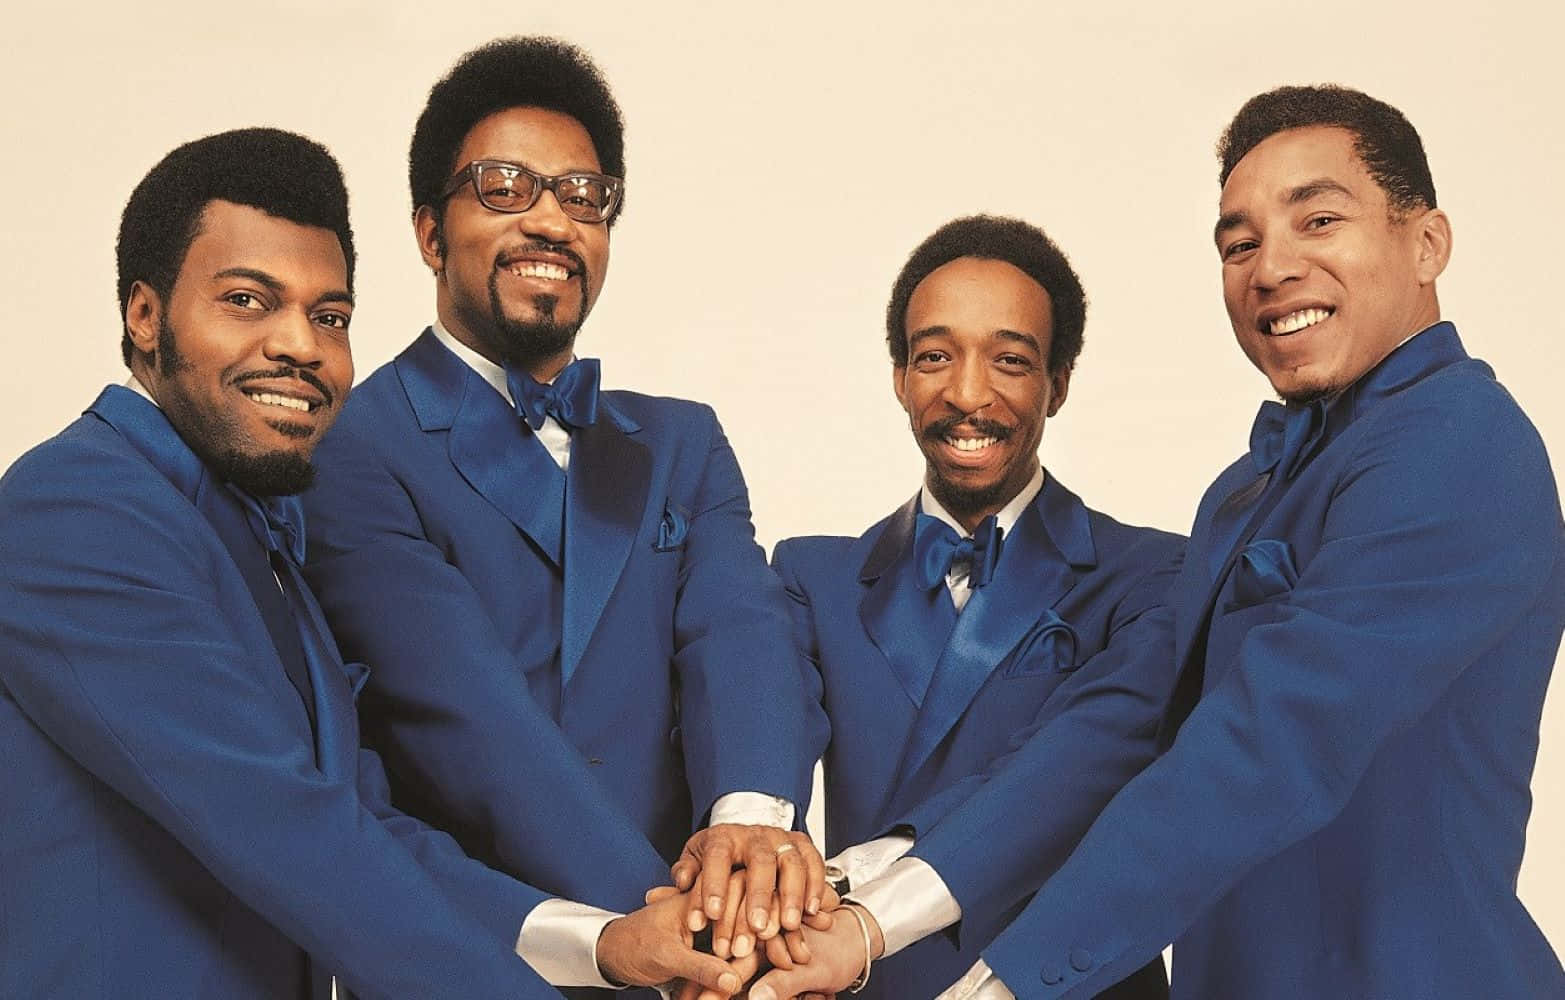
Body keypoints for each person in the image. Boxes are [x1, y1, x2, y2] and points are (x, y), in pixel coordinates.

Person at [0, 127, 744, 1000]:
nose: (300, 345)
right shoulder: (77, 508)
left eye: (330, 317)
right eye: (246, 300)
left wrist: (604, 943)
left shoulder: (256, 530)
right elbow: (289, 830)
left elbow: (363, 822)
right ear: (144, 315)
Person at [910, 85, 1565, 999]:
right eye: (1239, 243)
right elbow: (1128, 722)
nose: (1270, 268)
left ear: (1426, 244)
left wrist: (1003, 984)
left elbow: (1267, 745)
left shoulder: (1459, 441)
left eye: (1318, 220)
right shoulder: (1243, 489)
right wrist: (869, 906)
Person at [302, 36, 829, 993]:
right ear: (429, 233)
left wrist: (752, 829)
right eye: (504, 187)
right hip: (481, 958)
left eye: (584, 196)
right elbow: (466, 720)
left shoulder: (682, 442)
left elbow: (741, 635)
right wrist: (684, 936)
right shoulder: (352, 443)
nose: (551, 220)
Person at [708, 216, 1179, 1000]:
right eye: (934, 356)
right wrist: (755, 888)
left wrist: (846, 889)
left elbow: (1065, 772)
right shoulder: (812, 577)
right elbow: (763, 742)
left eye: (1009, 360)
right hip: (850, 981)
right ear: (899, 377)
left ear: (1058, 382)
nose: (966, 394)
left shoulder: (1153, 573)